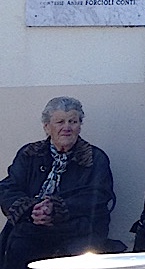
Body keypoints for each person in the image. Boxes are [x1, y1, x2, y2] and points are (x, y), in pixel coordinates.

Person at [0, 98, 117, 269]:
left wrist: (56, 208)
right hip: (33, 226)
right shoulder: (29, 154)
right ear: (47, 127)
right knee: (18, 246)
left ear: (79, 126)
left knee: (76, 255)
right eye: (60, 122)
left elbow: (98, 195)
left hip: (78, 228)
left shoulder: (95, 157)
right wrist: (32, 209)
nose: (67, 127)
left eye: (73, 121)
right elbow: (8, 187)